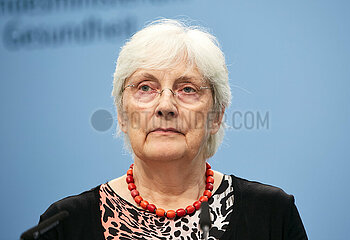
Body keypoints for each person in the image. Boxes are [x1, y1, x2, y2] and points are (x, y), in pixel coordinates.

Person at [38, 19, 308, 240]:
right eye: (145, 87)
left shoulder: (272, 214)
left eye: (187, 89)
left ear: (216, 116)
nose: (165, 106)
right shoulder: (64, 224)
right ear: (121, 114)